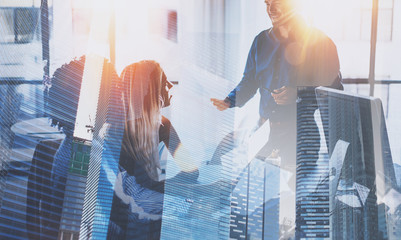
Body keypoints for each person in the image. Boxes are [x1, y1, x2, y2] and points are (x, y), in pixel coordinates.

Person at [210, 0, 342, 238]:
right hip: (267, 134)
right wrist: (230, 100)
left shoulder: (321, 43)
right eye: (267, 2)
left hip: (303, 138)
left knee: (298, 207)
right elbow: (249, 80)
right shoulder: (261, 41)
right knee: (246, 199)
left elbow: (334, 92)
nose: (270, 8)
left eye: (277, 2)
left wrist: (299, 93)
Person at [107, 60, 198, 240]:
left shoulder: (160, 124)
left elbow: (191, 171)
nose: (170, 85)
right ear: (149, 89)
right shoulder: (158, 125)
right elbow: (191, 171)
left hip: (130, 217)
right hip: (133, 221)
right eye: (163, 79)